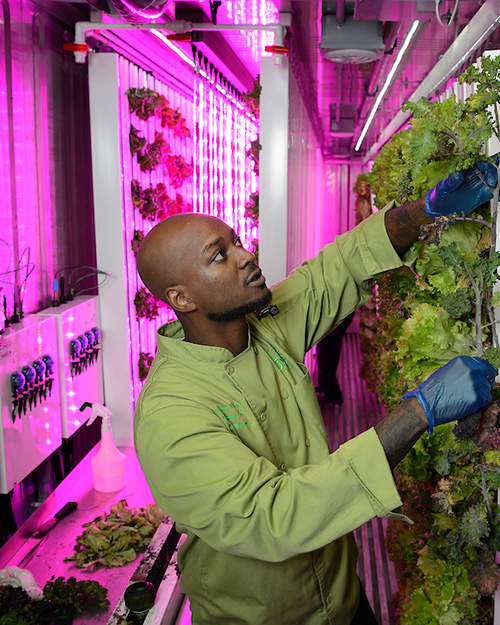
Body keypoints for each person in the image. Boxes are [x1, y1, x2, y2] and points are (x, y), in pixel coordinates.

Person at [133, 160, 498, 625]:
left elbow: (338, 268)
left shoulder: (259, 327)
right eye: (218, 256)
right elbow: (273, 514)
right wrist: (416, 413)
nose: (246, 256)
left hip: (343, 598)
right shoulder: (171, 411)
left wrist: (426, 211)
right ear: (182, 299)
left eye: (237, 242)